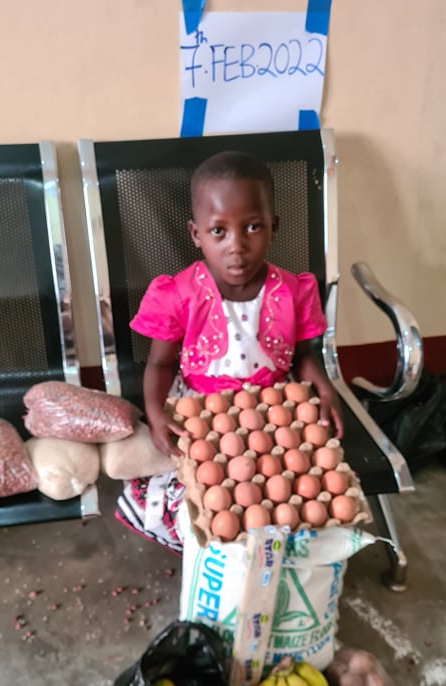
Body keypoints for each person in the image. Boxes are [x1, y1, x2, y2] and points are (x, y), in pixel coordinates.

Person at [115, 149, 343, 552]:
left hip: (274, 406)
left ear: (273, 227)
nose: (237, 246)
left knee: (292, 485)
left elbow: (304, 355)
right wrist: (154, 413)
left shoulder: (293, 291)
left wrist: (323, 388)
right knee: (206, 495)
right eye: (218, 231)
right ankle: (221, 556)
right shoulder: (178, 294)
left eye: (252, 227)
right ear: (195, 234)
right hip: (202, 410)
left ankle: (272, 555)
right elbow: (159, 364)